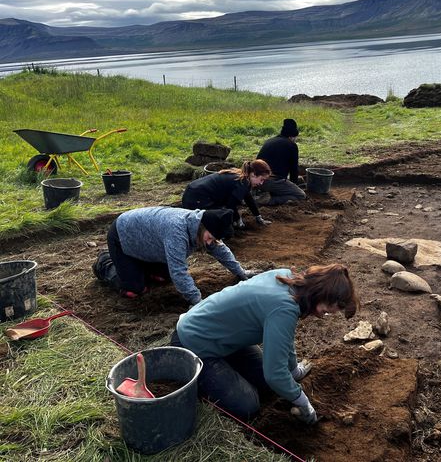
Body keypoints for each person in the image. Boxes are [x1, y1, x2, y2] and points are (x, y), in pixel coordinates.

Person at [170, 263, 359, 423]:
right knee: (248, 405)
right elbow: (275, 374)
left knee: (270, 386)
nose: (329, 314)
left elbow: (284, 338)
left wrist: (293, 370)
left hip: (226, 339)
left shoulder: (288, 279)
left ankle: (224, 370)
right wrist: (302, 402)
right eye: (330, 308)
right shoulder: (284, 307)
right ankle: (193, 379)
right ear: (323, 293)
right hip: (194, 342)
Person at [94, 207, 254, 305]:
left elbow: (220, 249)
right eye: (210, 237)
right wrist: (198, 301)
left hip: (148, 244)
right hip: (122, 236)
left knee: (163, 278)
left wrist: (241, 272)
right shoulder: (177, 231)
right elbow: (179, 271)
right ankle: (106, 262)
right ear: (203, 228)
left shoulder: (201, 225)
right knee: (134, 289)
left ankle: (137, 265)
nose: (210, 241)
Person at [182, 159, 272, 228]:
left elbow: (248, 198)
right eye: (261, 179)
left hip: (192, 192)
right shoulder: (242, 183)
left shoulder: (242, 176)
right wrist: (238, 219)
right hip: (196, 199)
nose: (261, 183)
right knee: (225, 224)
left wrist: (258, 216)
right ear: (253, 174)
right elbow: (231, 205)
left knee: (227, 215)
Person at [256, 118, 307, 205]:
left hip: (256, 180)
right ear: (292, 136)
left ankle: (264, 192)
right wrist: (293, 186)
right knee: (301, 195)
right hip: (271, 181)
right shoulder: (292, 145)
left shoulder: (269, 141)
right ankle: (268, 200)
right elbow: (293, 170)